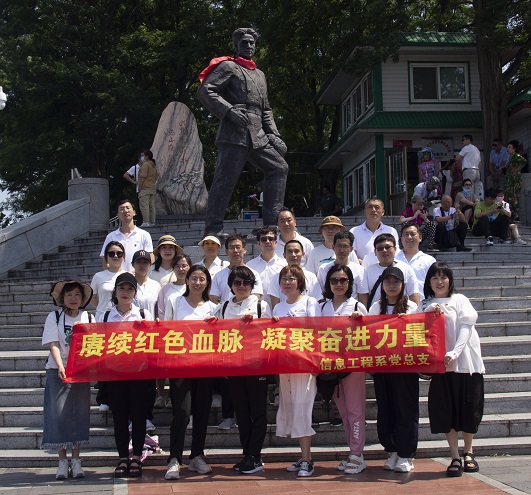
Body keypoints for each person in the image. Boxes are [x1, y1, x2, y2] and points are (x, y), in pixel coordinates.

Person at [197, 27, 288, 235]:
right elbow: (205, 91)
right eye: (244, 42)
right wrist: (229, 111)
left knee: (279, 168)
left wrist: (274, 134)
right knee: (224, 181)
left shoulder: (260, 75)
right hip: (235, 131)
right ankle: (213, 230)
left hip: (259, 134)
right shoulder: (228, 66)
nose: (248, 46)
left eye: (251, 43)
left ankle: (270, 227)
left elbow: (266, 109)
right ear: (236, 45)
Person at [417, 262, 485, 477]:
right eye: (435, 278)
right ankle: (455, 455)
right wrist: (430, 312)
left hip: (465, 364)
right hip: (442, 368)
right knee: (447, 411)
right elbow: (417, 330)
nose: (439, 282)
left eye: (443, 277)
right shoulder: (425, 304)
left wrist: (455, 352)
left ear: (450, 280)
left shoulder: (460, 300)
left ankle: (468, 452)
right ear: (429, 282)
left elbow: (466, 327)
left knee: (469, 409)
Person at [211, 266, 272, 474]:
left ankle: (255, 455)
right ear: (230, 286)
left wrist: (253, 325)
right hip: (234, 366)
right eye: (237, 282)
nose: (242, 286)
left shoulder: (261, 305)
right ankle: (247, 454)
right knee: (242, 413)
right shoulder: (224, 306)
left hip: (256, 366)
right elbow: (216, 333)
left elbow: (270, 333)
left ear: (252, 285)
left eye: (246, 282)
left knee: (258, 412)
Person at [163, 265, 219, 480]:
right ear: (187, 280)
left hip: (205, 366)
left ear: (207, 283)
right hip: (180, 365)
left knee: (202, 412)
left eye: (202, 279)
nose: (197, 283)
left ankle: (197, 456)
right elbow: (166, 331)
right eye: (194, 278)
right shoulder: (174, 301)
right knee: (182, 412)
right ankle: (174, 458)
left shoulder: (214, 307)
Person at [101, 272, 154, 478]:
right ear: (115, 292)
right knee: (120, 417)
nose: (125, 292)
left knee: (139, 416)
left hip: (139, 373)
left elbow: (153, 341)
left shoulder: (143, 314)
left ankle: (137, 457)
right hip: (115, 374)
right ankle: (123, 457)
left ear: (135, 292)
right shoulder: (105, 316)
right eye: (121, 288)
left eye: (130, 289)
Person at [41, 278, 93, 479]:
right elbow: (53, 343)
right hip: (58, 370)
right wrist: (61, 365)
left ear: (83, 298)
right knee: (58, 414)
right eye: (69, 295)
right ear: (62, 297)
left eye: (77, 295)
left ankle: (77, 460)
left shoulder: (88, 317)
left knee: (79, 414)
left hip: (81, 372)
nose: (73, 298)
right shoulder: (54, 316)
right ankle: (62, 461)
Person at [368, 266, 418, 473]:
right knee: (386, 408)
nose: (391, 285)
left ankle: (407, 454)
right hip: (383, 366)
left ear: (403, 285)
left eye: (396, 281)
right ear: (382, 285)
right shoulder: (375, 308)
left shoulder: (412, 307)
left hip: (405, 366)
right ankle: (393, 450)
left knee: (405, 409)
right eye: (387, 282)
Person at [320, 265, 368, 475]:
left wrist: (360, 321)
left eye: (343, 280)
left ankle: (357, 454)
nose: (338, 284)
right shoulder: (322, 307)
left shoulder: (357, 305)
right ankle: (353, 452)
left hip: (353, 366)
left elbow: (369, 335)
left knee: (356, 411)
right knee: (344, 412)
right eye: (334, 280)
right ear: (328, 283)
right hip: (331, 367)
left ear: (350, 283)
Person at [272, 265, 318, 477]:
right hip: (285, 366)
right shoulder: (278, 308)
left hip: (304, 366)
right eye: (284, 279)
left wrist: (315, 363)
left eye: (292, 279)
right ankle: (303, 457)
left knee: (302, 409)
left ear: (300, 282)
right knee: (290, 409)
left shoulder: (310, 302)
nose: (287, 282)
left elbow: (316, 333)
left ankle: (308, 461)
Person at [358, 233, 420, 309]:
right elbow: (363, 296)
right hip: (376, 313)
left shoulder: (406, 269)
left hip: (401, 313)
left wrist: (415, 314)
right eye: (380, 248)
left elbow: (413, 295)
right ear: (375, 252)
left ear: (395, 249)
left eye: (387, 247)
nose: (384, 250)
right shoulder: (367, 271)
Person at [100, 199, 153, 272]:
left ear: (134, 212)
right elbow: (105, 262)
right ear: (118, 215)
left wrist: (134, 273)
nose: (125, 211)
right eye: (122, 209)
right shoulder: (111, 237)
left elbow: (151, 259)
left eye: (128, 208)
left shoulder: (144, 235)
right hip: (117, 276)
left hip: (138, 276)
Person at [268, 239, 321, 309]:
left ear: (303, 254)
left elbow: (317, 302)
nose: (293, 255)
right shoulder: (276, 278)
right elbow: (275, 306)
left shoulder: (311, 277)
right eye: (289, 251)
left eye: (296, 251)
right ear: (284, 255)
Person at [210, 233, 263, 304]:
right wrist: (228, 307)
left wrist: (238, 307)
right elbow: (213, 300)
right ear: (226, 251)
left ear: (244, 249)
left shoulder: (254, 274)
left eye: (238, 247)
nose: (235, 251)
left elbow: (256, 297)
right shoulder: (218, 276)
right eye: (231, 248)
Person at [246, 226, 287, 306]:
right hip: (258, 309)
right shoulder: (250, 266)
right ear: (258, 243)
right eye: (263, 239)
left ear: (276, 242)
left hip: (280, 308)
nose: (267, 242)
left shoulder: (284, 265)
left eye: (270, 239)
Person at [350, 197, 399, 263]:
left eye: (377, 207)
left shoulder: (391, 231)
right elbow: (352, 255)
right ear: (364, 212)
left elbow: (395, 253)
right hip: (363, 268)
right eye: (370, 207)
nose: (373, 210)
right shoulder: (354, 231)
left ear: (383, 212)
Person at [316, 231, 364, 298]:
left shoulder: (359, 270)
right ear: (333, 247)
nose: (341, 250)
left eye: (345, 246)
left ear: (351, 249)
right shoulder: (323, 269)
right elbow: (320, 293)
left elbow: (363, 295)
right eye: (338, 246)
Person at [395, 224, 436, 295]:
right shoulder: (394, 259)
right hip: (398, 301)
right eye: (406, 234)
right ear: (401, 239)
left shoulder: (429, 260)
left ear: (420, 237)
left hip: (422, 300)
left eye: (413, 234)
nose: (409, 237)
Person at [504, 139, 527, 221]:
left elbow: (524, 160)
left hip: (515, 179)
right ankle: (510, 212)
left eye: (510, 147)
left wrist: (518, 169)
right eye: (507, 147)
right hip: (509, 179)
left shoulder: (516, 156)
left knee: (514, 195)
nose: (508, 149)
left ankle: (516, 214)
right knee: (508, 195)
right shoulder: (509, 157)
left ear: (514, 149)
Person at [137, 149, 157, 227]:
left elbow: (143, 176)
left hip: (145, 187)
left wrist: (139, 186)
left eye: (143, 155)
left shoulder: (146, 165)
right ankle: (152, 221)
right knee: (152, 205)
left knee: (144, 205)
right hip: (152, 187)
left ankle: (146, 221)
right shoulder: (153, 165)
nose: (142, 157)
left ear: (147, 156)